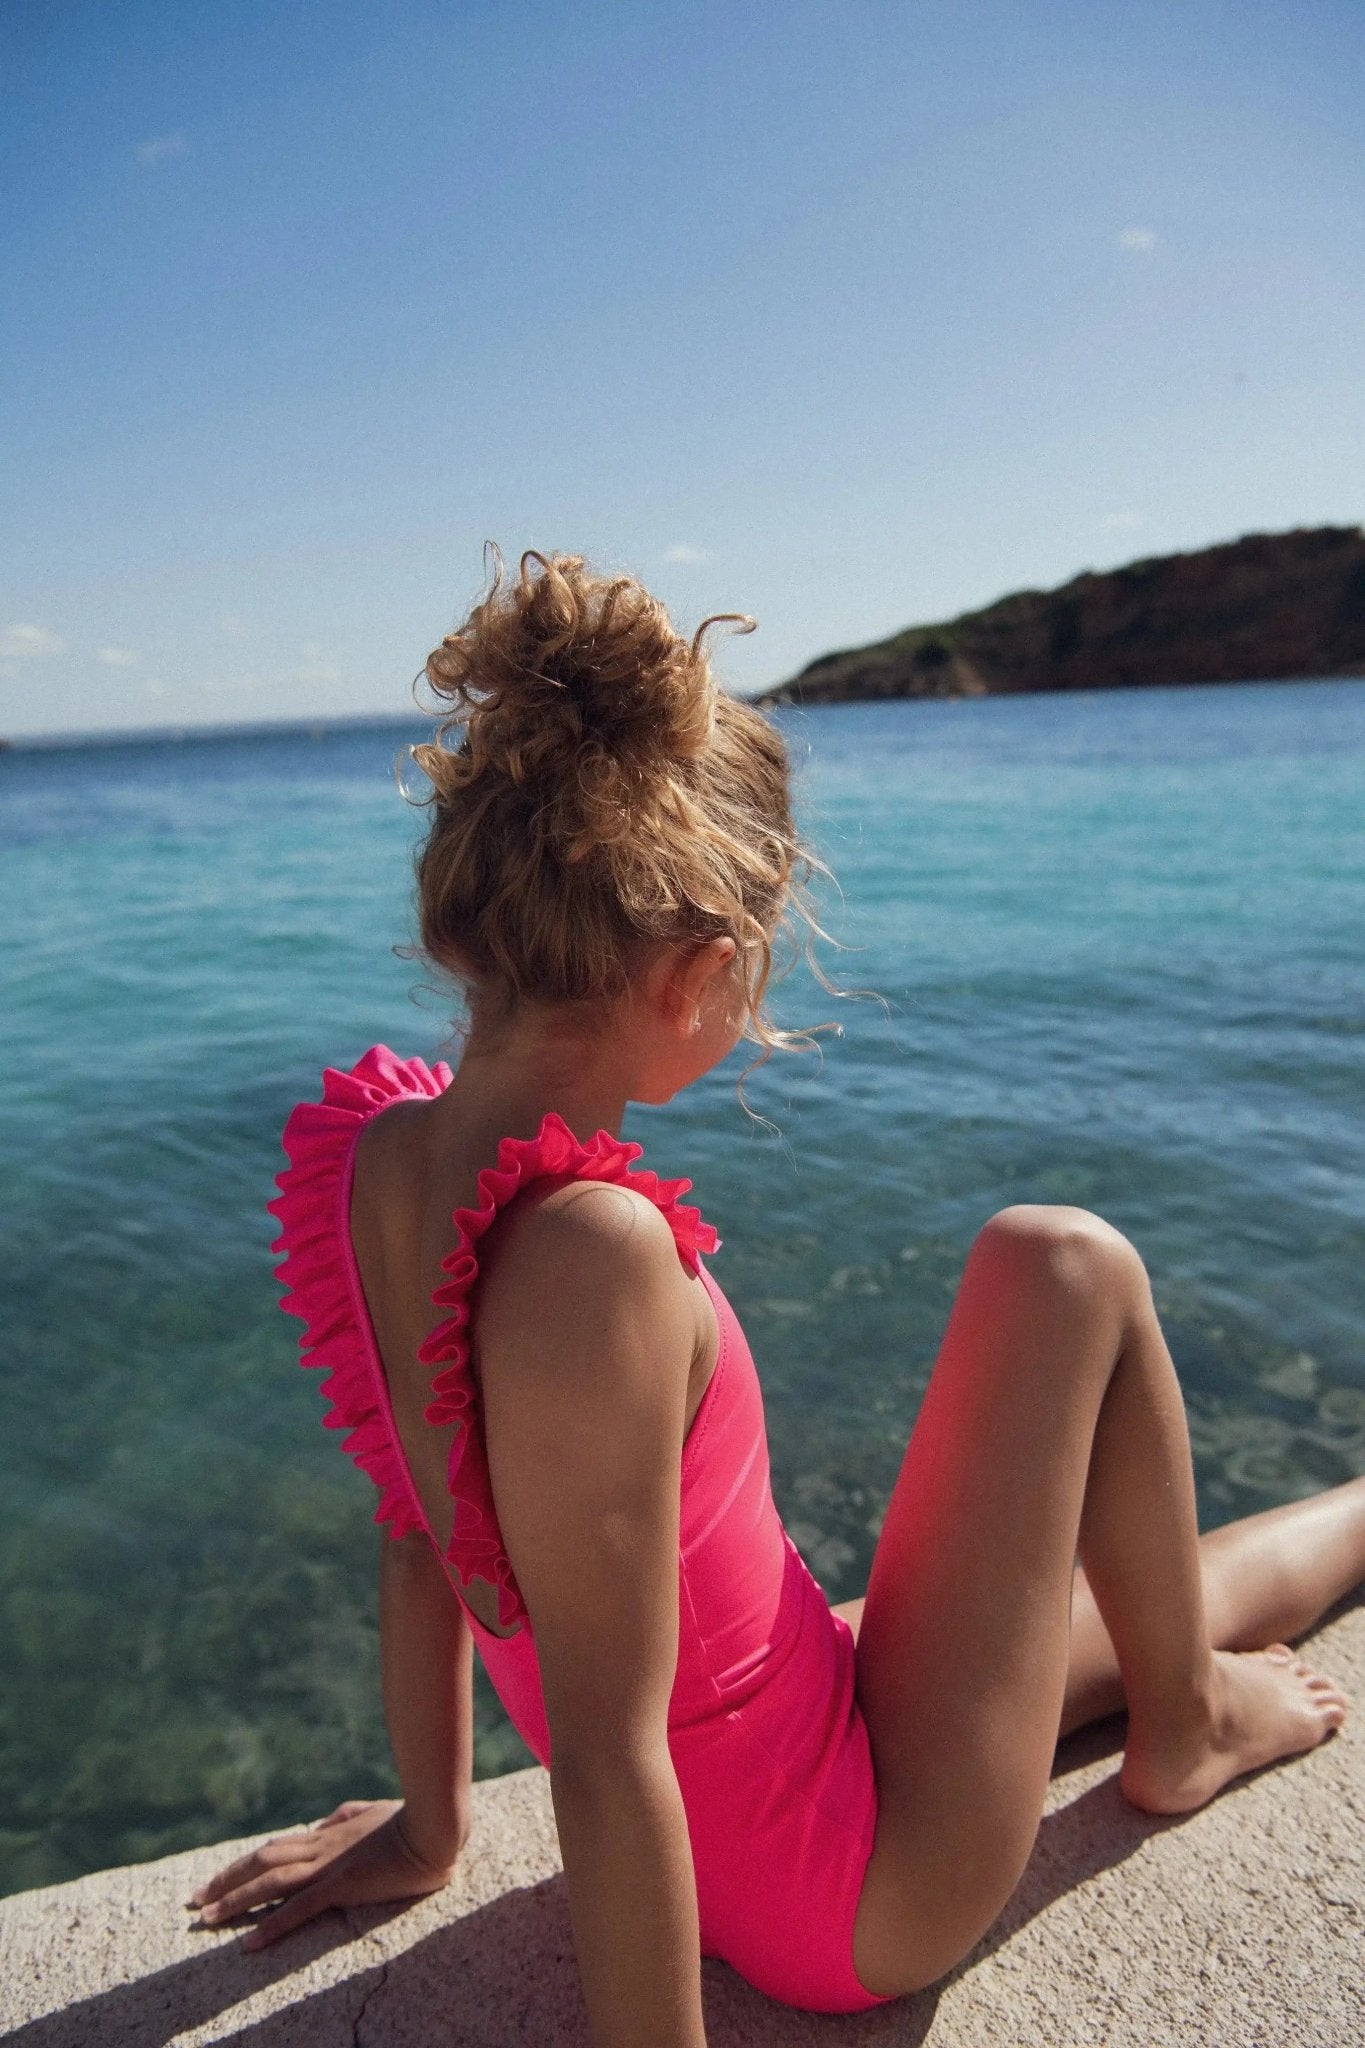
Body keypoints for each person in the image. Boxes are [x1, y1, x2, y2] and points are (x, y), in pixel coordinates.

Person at [190, 551, 1360, 2043]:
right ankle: (1182, 1730)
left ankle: (1209, 1660)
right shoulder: (595, 1251)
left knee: (1099, 1608)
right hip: (843, 1891)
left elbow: (424, 1537)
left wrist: (432, 1826)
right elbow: (613, 1767)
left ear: (465, 930)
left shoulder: (384, 1153)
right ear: (693, 975)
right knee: (1062, 1262)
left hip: (780, 1733)